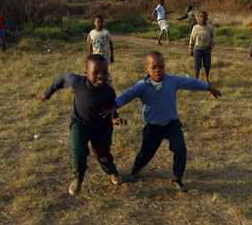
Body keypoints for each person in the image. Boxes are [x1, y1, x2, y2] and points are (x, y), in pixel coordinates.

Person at [100, 51, 222, 192]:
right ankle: (136, 169)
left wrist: (209, 88)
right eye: (154, 67)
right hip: (153, 127)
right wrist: (114, 107)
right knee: (145, 153)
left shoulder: (173, 80)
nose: (158, 70)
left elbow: (191, 82)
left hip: (172, 124)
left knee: (180, 149)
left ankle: (176, 179)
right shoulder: (142, 86)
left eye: (161, 66)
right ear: (146, 69)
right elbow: (127, 95)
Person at [39, 54, 128, 196]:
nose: (100, 76)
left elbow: (112, 110)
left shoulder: (109, 91)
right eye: (96, 72)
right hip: (80, 123)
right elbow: (63, 77)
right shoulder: (77, 82)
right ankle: (78, 177)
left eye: (104, 73)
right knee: (78, 153)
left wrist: (115, 119)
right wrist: (48, 92)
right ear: (86, 73)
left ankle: (112, 170)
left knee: (103, 157)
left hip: (101, 129)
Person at [189, 11, 216, 83]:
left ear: (207, 18)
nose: (202, 18)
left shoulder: (210, 28)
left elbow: (213, 38)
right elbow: (192, 39)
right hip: (198, 50)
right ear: (198, 17)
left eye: (204, 16)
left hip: (207, 50)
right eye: (201, 16)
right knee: (197, 66)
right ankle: (196, 80)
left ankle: (206, 79)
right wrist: (190, 50)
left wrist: (210, 48)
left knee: (207, 66)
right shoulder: (195, 28)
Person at [87, 15, 114, 82]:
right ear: (94, 22)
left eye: (101, 22)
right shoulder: (92, 33)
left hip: (104, 54)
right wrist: (90, 55)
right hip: (96, 54)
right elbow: (90, 44)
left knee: (104, 68)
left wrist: (112, 56)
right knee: (96, 68)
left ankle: (108, 80)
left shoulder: (106, 33)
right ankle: (98, 81)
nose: (99, 24)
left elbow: (111, 44)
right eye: (98, 22)